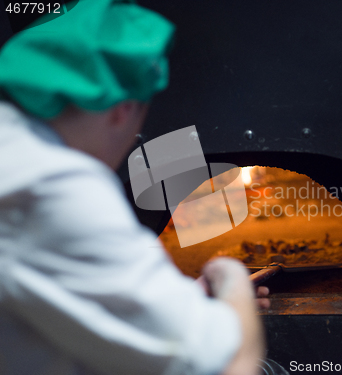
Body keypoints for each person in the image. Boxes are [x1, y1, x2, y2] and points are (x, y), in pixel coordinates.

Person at [0, 1, 268, 374]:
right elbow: (229, 364)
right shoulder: (56, 185)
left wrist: (183, 302)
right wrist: (231, 277)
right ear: (124, 109)